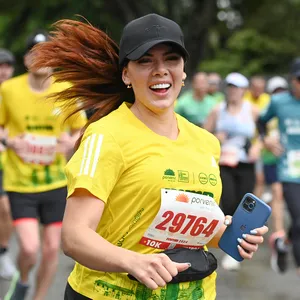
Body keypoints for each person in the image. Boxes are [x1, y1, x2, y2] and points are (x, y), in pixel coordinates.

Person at [31, 14, 268, 300]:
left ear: (183, 72)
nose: (160, 70)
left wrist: (229, 235)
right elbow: (74, 237)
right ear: (126, 74)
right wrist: (133, 261)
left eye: (171, 59)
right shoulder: (106, 135)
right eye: (145, 60)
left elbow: (191, 230)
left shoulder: (206, 142)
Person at [2, 31, 86, 300]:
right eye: (36, 52)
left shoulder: (66, 90)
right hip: (21, 181)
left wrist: (70, 142)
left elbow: (82, 130)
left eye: (48, 52)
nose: (43, 59)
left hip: (56, 182)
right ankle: (23, 278)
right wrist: (10, 140)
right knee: (29, 247)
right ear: (27, 60)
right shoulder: (8, 89)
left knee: (51, 249)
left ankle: (38, 297)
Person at [204, 72, 261, 271]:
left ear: (244, 90)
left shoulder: (252, 110)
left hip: (246, 163)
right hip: (225, 163)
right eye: (229, 87)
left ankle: (238, 246)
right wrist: (215, 136)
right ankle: (231, 247)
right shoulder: (218, 109)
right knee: (227, 203)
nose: (232, 91)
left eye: (236, 87)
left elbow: (263, 134)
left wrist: (257, 147)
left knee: (245, 204)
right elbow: (204, 134)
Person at [258, 59, 300, 277]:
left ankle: (283, 242)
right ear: (293, 81)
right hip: (290, 169)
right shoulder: (279, 102)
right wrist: (266, 140)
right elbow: (261, 121)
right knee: (298, 215)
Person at [263, 76, 289, 273]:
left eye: (282, 90)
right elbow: (259, 128)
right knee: (278, 194)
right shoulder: (269, 109)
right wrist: (267, 142)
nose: (279, 94)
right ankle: (278, 237)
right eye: (275, 91)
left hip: (293, 162)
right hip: (273, 161)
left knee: (282, 198)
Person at [0, 49, 16, 281]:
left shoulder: (17, 94)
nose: (3, 71)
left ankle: (2, 253)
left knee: (6, 209)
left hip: (11, 164)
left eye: (7, 66)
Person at [244, 76, 270, 199]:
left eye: (261, 89)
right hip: (247, 143)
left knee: (260, 179)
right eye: (256, 88)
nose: (258, 91)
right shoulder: (245, 98)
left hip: (262, 143)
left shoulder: (267, 99)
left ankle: (256, 201)